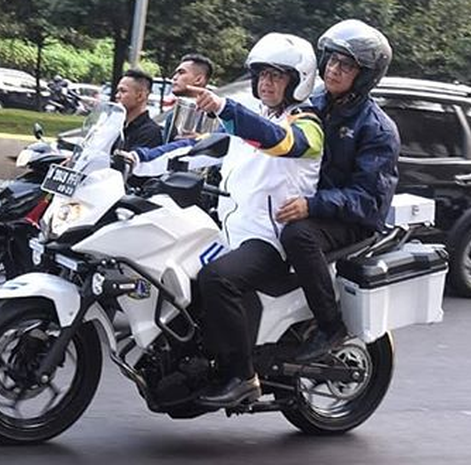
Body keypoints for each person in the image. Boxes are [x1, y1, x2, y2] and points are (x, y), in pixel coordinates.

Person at [125, 33, 323, 408]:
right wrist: (138, 158)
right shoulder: (253, 120)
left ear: (298, 81)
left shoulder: (306, 125)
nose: (266, 82)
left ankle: (243, 376)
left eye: (277, 76)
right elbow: (194, 149)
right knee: (175, 272)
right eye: (262, 74)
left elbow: (280, 142)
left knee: (218, 279)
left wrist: (226, 109)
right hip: (231, 232)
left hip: (271, 240)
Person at [277, 19, 400, 363]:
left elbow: (367, 199)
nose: (333, 69)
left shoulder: (376, 128)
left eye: (345, 65)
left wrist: (312, 205)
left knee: (298, 236)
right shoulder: (313, 102)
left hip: (352, 217)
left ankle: (330, 325)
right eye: (331, 60)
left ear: (365, 75)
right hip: (312, 202)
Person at [163, 53, 215, 142]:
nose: (174, 78)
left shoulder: (217, 116)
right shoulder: (171, 116)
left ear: (198, 80)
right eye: (175, 73)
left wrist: (204, 140)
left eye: (181, 73)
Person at [115, 69, 163, 151]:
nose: (117, 96)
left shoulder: (150, 132)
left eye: (123, 91)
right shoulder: (118, 125)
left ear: (140, 96)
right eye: (117, 91)